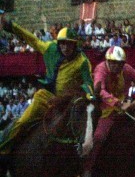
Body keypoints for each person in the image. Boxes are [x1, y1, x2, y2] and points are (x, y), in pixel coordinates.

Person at [0, 16, 93, 153]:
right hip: (47, 96)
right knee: (22, 121)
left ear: (75, 44)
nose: (65, 47)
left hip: (67, 104)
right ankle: (3, 152)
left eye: (69, 44)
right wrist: (12, 26)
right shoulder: (50, 48)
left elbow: (88, 82)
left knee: (84, 131)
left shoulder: (82, 61)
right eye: (62, 43)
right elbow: (32, 39)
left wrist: (90, 96)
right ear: (58, 43)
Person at [81, 46, 135, 177]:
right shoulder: (100, 69)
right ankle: (87, 168)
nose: (115, 66)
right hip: (105, 110)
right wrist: (118, 103)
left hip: (125, 108)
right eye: (112, 62)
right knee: (99, 137)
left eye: (119, 63)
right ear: (107, 61)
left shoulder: (126, 69)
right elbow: (100, 91)